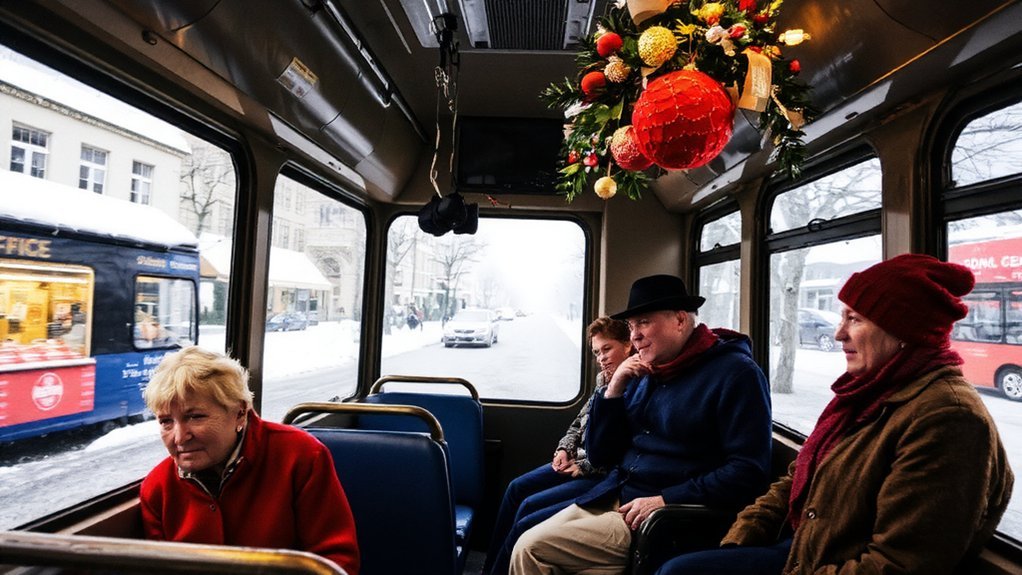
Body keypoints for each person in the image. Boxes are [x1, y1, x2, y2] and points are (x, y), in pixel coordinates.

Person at [656, 254, 1014, 575]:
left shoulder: (948, 418)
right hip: (803, 546)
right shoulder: (864, 395)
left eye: (855, 319)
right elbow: (797, 480)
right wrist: (741, 536)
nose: (839, 333)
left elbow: (900, 563)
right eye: (843, 317)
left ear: (904, 332)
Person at [510, 274, 773, 574]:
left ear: (680, 320)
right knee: (525, 528)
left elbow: (748, 471)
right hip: (614, 493)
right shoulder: (644, 371)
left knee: (531, 549)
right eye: (632, 326)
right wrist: (614, 388)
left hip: (665, 516)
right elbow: (601, 454)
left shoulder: (735, 374)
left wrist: (665, 499)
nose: (634, 336)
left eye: (644, 322)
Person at [139, 346, 360, 574]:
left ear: (240, 413)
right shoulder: (158, 488)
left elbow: (336, 562)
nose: (179, 437)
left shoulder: (301, 457)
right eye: (166, 421)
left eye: (195, 417)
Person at [483, 317, 633, 575]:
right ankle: (491, 568)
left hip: (596, 472)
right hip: (578, 458)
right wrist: (564, 449)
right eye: (597, 352)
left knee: (529, 506)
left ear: (628, 345)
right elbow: (579, 422)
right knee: (516, 487)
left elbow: (619, 448)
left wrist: (584, 465)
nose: (601, 358)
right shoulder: (602, 381)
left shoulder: (633, 385)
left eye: (607, 349)